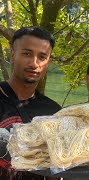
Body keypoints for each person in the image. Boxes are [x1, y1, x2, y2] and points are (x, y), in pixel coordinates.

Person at [0, 26, 61, 180]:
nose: (34, 64)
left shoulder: (53, 112)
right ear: (13, 54)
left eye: (42, 57)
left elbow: (55, 171)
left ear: (48, 62)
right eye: (27, 54)